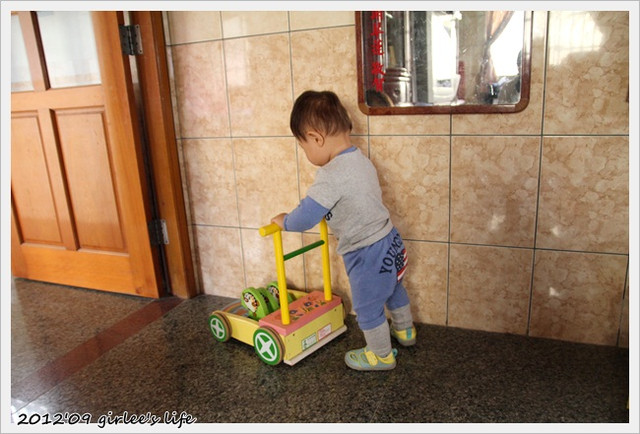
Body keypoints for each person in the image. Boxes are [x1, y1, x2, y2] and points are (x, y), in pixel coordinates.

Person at [270, 90, 416, 371]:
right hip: (391, 240)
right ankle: (405, 330)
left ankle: (381, 355)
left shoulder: (332, 174)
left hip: (367, 253)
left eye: (303, 146)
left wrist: (285, 221)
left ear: (315, 138)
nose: (306, 153)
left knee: (368, 308)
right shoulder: (360, 159)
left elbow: (306, 216)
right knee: (394, 287)